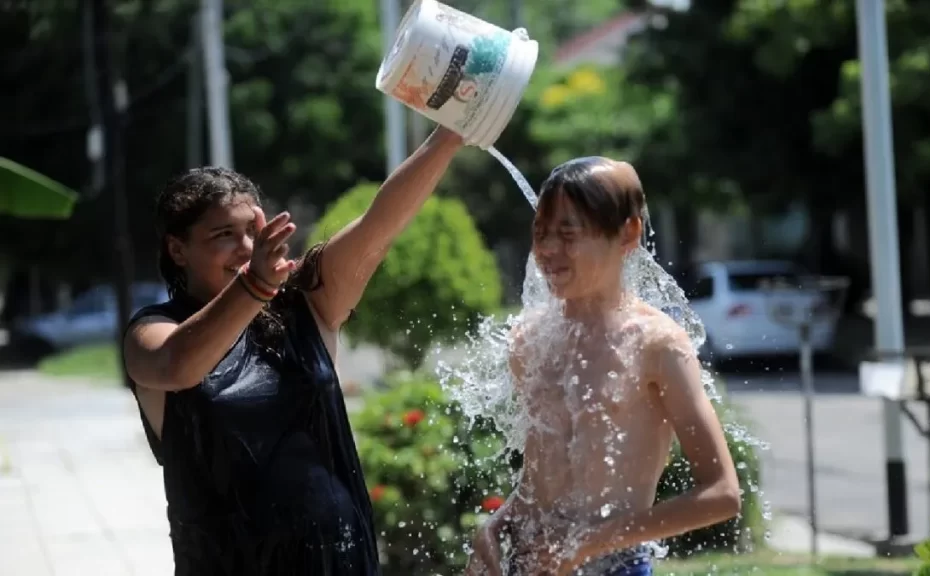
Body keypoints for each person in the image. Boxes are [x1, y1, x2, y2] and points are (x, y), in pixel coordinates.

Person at [122, 127, 463, 575]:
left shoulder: (305, 302)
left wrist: (449, 137)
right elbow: (179, 366)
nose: (245, 248)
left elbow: (379, 224)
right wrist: (256, 284)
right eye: (223, 234)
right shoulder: (152, 332)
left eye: (251, 231)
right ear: (178, 249)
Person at [466, 157, 742, 576]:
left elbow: (722, 494)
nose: (548, 250)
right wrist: (500, 522)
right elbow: (545, 479)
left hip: (614, 567)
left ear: (628, 233)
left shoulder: (657, 344)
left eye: (567, 234)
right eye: (540, 234)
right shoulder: (530, 338)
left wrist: (586, 544)